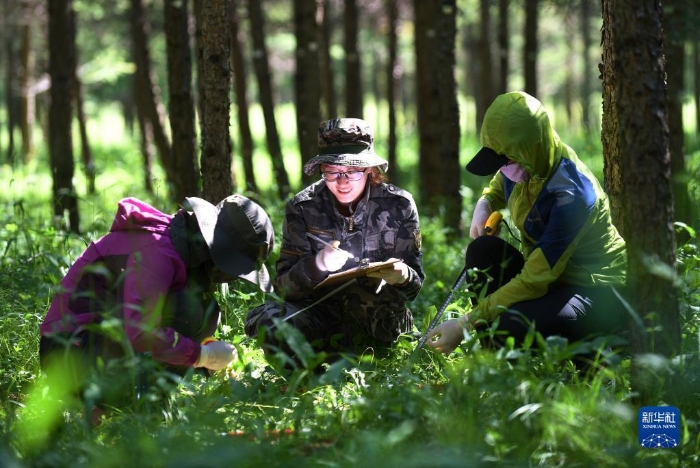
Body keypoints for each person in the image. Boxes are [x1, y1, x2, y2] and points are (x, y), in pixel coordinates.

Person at [427, 91, 627, 355]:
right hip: (551, 280)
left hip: (595, 290)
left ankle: (597, 353)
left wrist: (466, 322)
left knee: (510, 325)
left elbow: (535, 278)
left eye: (505, 161)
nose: (503, 169)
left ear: (527, 149)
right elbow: (500, 183)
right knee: (482, 251)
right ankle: (494, 360)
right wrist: (485, 202)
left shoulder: (572, 194)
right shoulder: (524, 162)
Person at [39, 194, 275, 407]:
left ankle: (148, 395)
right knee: (186, 307)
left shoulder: (180, 246)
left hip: (102, 342)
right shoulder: (157, 251)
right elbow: (139, 330)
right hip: (68, 352)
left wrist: (207, 355)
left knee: (201, 307)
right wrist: (203, 356)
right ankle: (124, 401)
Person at [245, 118, 424, 368]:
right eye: (331, 172)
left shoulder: (399, 205)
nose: (341, 182)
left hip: (378, 319)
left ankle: (368, 361)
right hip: (318, 317)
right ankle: (307, 372)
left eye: (352, 172)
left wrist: (402, 275)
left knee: (380, 322)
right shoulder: (303, 207)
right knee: (270, 320)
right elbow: (284, 289)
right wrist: (317, 265)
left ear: (370, 170)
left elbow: (415, 286)